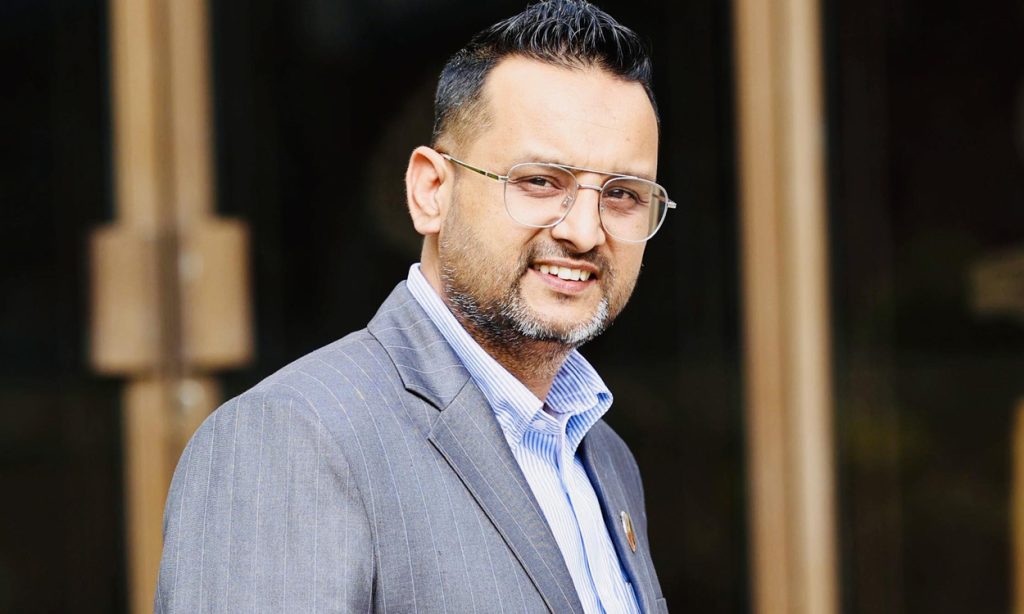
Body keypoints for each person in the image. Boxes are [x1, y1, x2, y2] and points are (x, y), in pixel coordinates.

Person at [156, 1, 673, 611]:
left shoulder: (606, 457)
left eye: (623, 194)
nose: (584, 231)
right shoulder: (290, 438)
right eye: (540, 181)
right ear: (431, 191)